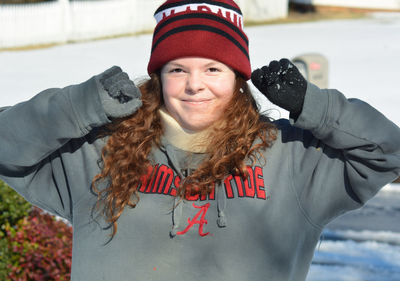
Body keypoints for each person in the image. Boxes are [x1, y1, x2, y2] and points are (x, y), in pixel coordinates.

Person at [1, 0, 399, 280]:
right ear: (157, 77)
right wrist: (79, 105)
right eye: (177, 69)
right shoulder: (99, 152)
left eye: (213, 68)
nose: (194, 86)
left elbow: (387, 152)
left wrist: (313, 105)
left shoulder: (290, 157)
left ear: (238, 78)